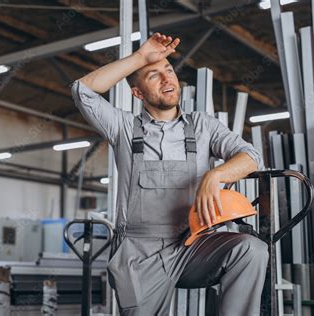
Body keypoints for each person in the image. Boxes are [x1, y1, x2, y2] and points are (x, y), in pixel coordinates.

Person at [70, 33, 268, 316]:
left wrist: (216, 176)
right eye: (153, 76)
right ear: (137, 93)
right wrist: (141, 57)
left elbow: (252, 157)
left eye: (169, 71)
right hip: (139, 253)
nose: (167, 80)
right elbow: (82, 91)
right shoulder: (123, 128)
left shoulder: (203, 126)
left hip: (193, 245)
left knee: (251, 250)